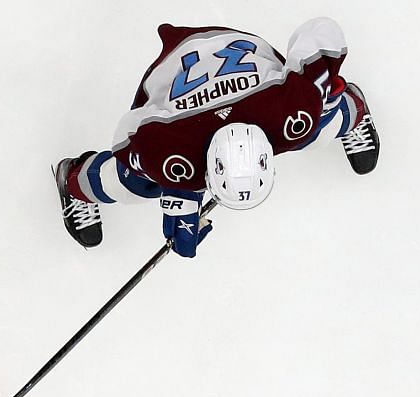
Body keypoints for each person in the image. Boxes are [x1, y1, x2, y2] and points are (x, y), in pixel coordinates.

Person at [52, 19, 379, 257]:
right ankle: (77, 181)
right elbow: (128, 135)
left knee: (314, 128)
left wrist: (324, 93)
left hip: (238, 59)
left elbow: (321, 35)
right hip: (174, 64)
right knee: (133, 184)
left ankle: (354, 108)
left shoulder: (291, 111)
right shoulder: (171, 147)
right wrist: (175, 185)